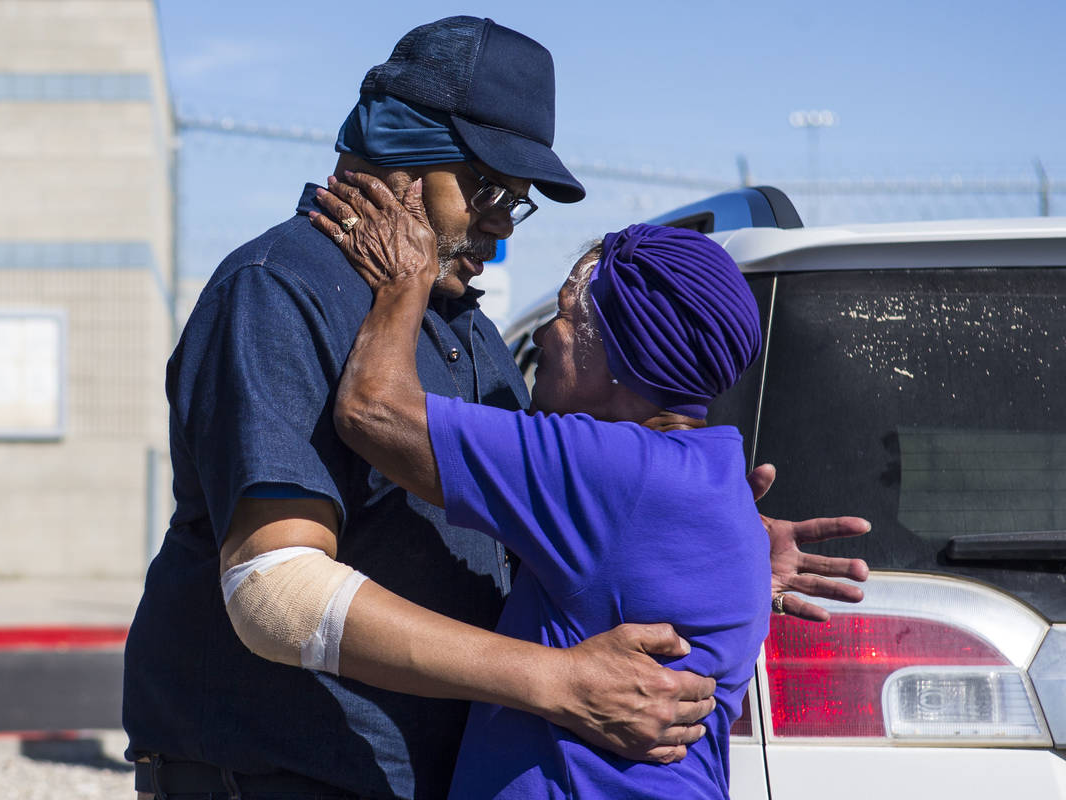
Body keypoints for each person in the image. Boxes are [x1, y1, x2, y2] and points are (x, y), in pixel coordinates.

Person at [123, 15, 870, 800]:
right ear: (397, 149)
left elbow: (577, 504)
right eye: (484, 188)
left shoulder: (464, 329)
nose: (501, 223)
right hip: (274, 778)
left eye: (516, 202)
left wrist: (711, 544)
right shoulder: (280, 289)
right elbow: (273, 591)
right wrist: (555, 680)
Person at [314, 172, 772, 798]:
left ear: (615, 356)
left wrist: (405, 282)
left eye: (562, 315)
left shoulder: (605, 467)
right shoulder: (714, 478)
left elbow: (373, 410)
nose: (542, 339)